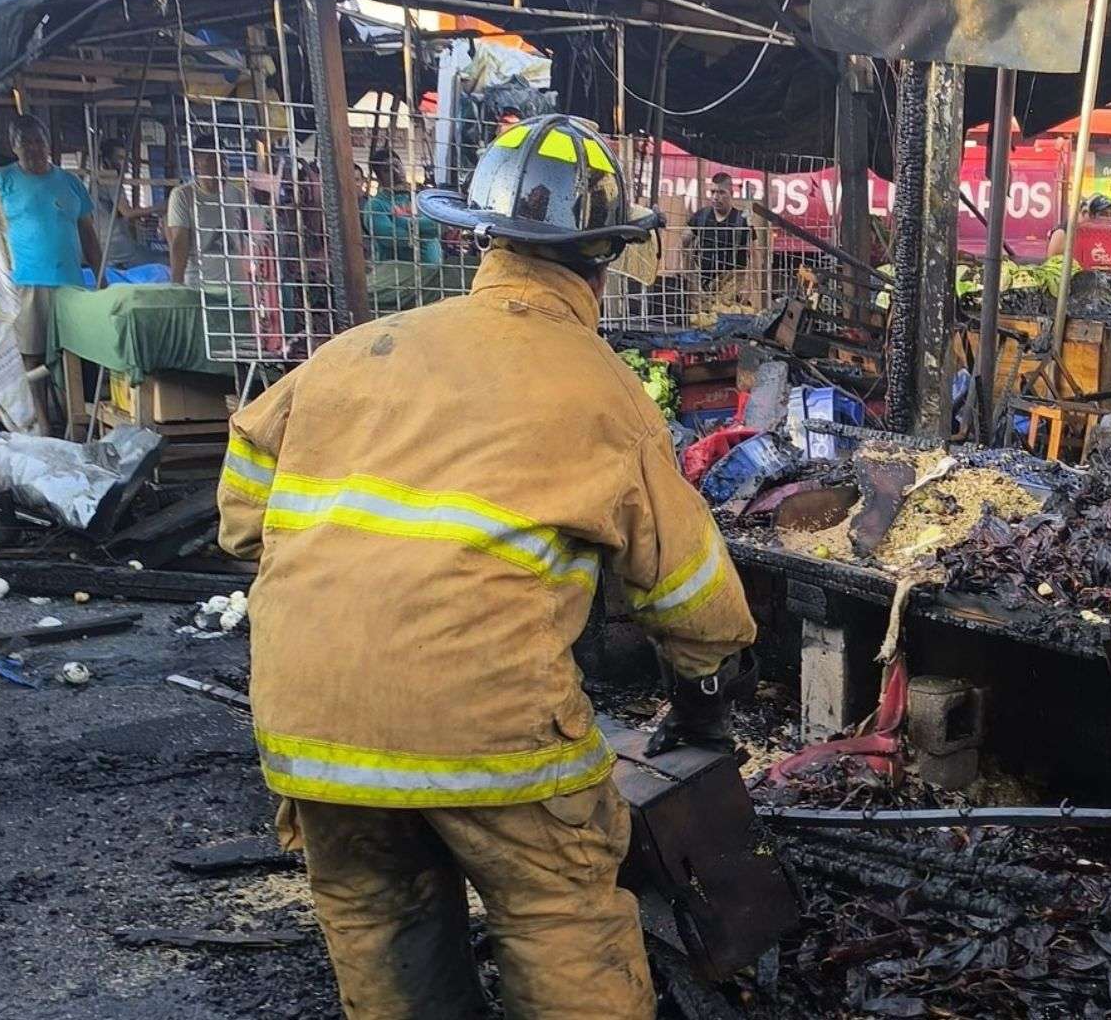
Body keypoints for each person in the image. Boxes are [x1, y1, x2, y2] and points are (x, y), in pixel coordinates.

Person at [217, 114, 756, 1019]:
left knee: (378, 918)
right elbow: (691, 594)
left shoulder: (353, 353)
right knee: (559, 915)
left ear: (478, 238)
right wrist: (703, 702)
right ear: (605, 257)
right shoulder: (602, 388)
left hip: (309, 728)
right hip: (489, 729)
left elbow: (241, 521)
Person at [0, 114, 102, 362]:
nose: (33, 148)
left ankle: (69, 402)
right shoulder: (3, 181)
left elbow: (88, 235)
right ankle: (39, 403)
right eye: (25, 142)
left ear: (48, 144)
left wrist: (101, 279)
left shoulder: (70, 183)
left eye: (38, 141)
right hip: (25, 282)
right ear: (14, 147)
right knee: (31, 355)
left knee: (71, 355)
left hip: (69, 283)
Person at [167, 134, 253, 289]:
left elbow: (247, 235)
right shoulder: (182, 195)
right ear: (196, 164)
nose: (221, 166)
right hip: (200, 286)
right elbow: (180, 243)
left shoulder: (237, 194)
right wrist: (177, 287)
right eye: (212, 160)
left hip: (236, 285)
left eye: (224, 160)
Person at [363, 147, 442, 265]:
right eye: (387, 170)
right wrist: (426, 230)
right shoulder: (375, 206)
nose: (396, 172)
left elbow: (437, 226)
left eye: (397, 165)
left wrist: (400, 221)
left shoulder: (420, 198)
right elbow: (394, 239)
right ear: (379, 178)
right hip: (398, 276)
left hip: (434, 272)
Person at [92, 138, 160, 270]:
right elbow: (127, 212)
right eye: (120, 158)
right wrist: (160, 207)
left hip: (105, 245)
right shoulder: (110, 178)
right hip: (115, 248)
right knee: (163, 261)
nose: (125, 162)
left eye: (126, 158)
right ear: (107, 161)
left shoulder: (99, 179)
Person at [688, 171, 749, 289]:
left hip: (732, 287)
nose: (715, 197)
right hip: (704, 286)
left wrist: (750, 285)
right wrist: (688, 276)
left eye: (721, 192)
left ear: (731, 193)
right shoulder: (702, 216)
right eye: (713, 192)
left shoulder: (742, 220)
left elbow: (755, 254)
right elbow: (681, 244)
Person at [1046, 192, 1111, 258]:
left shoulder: (1100, 233)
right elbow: (1052, 265)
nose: (1108, 219)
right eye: (1103, 214)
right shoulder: (1063, 233)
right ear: (1086, 213)